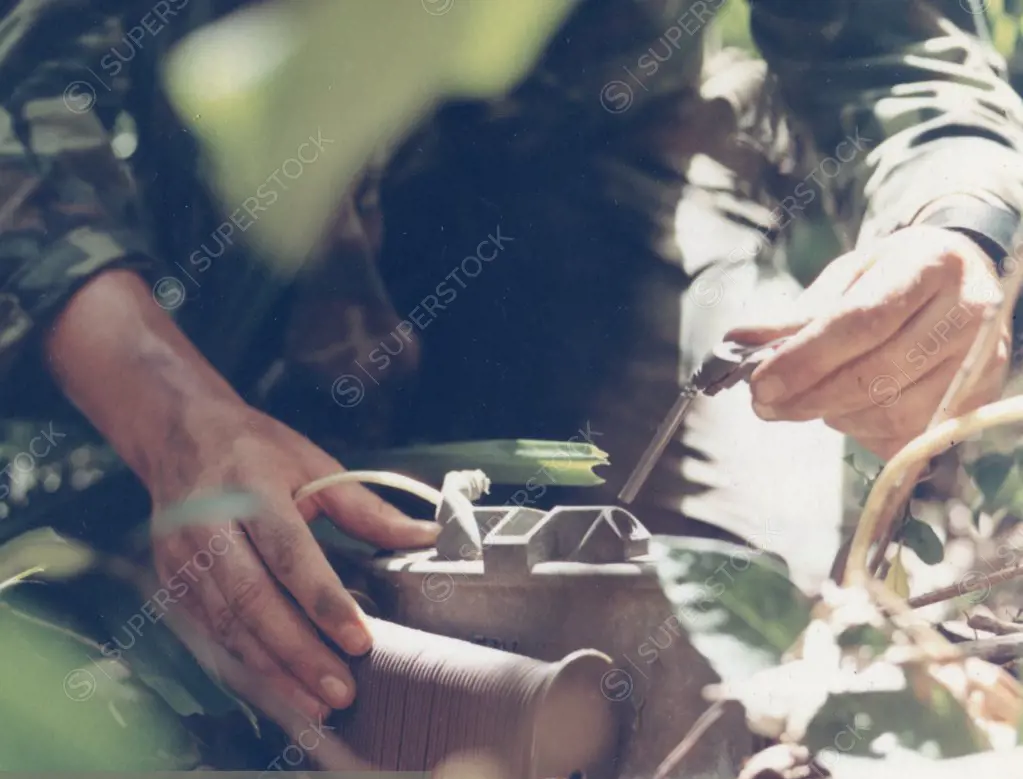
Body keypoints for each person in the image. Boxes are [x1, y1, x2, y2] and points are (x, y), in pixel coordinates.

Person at [0, 0, 1021, 736]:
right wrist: (171, 418)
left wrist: (957, 237)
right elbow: (23, 91)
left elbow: (900, 56)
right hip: (206, 226)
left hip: (591, 192)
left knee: (705, 677)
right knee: (141, 709)